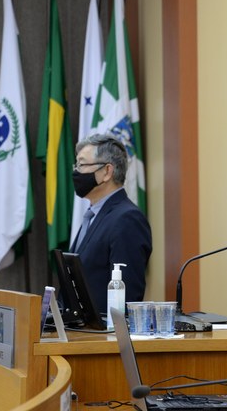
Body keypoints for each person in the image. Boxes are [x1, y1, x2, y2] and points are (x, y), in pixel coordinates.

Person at [68, 133, 152, 316]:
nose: (76, 172)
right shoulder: (93, 215)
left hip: (104, 332)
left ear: (107, 171)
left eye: (81, 164)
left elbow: (127, 296)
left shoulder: (127, 219)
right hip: (78, 329)